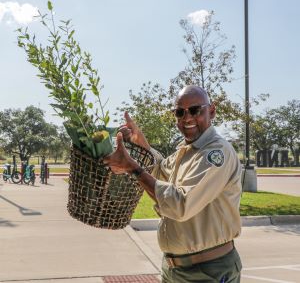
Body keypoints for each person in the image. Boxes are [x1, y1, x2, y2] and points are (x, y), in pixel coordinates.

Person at [104, 85, 242, 282]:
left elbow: (180, 205)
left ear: (211, 111)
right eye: (179, 112)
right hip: (174, 270)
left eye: (195, 110)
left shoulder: (216, 153)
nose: (187, 118)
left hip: (207, 272)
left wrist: (132, 167)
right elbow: (160, 171)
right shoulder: (186, 151)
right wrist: (141, 143)